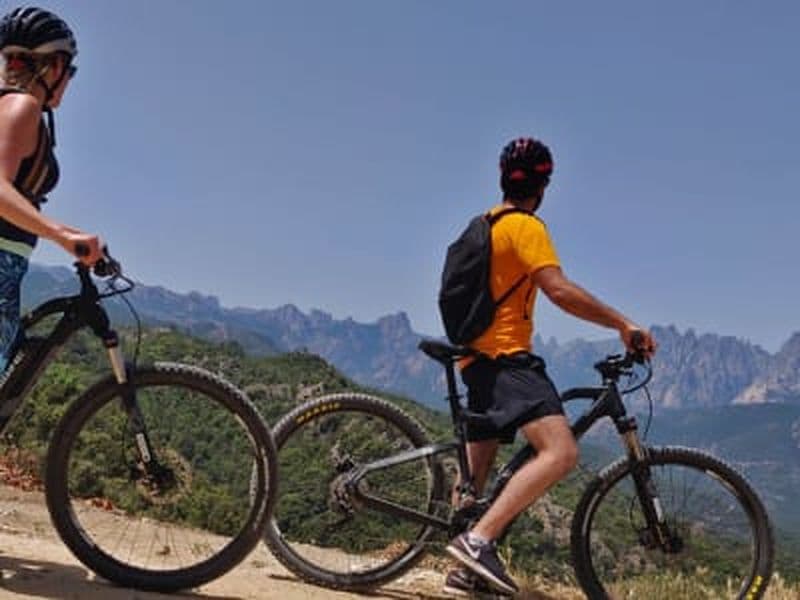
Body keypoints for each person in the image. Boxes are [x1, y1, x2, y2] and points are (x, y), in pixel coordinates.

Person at [443, 137, 657, 596]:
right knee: (561, 452)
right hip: (505, 359)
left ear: (504, 179)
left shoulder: (485, 223)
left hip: (472, 359)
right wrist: (622, 324)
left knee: (476, 481)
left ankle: (463, 563)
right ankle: (477, 543)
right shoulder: (524, 227)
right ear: (543, 186)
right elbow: (558, 291)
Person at [0, 6, 101, 371]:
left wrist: (74, 235)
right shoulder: (21, 107)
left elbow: (17, 199)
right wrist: (60, 235)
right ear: (54, 66)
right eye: (70, 70)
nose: (69, 80)